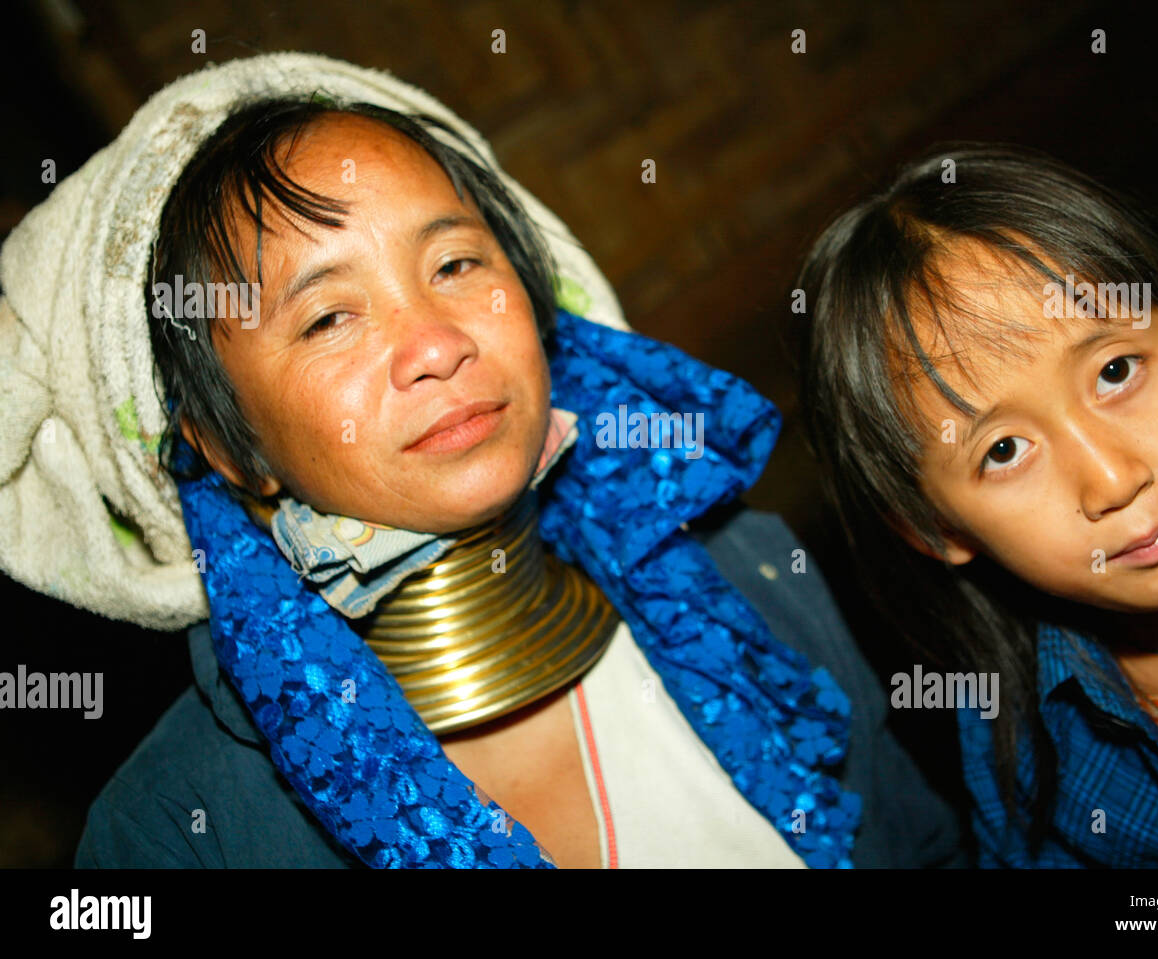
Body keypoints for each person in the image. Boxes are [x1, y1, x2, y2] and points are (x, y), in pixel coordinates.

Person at [0, 53, 964, 868]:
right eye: (330, 314)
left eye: (458, 265)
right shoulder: (179, 829)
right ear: (227, 447)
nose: (437, 342)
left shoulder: (749, 577)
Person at [797, 142, 1158, 867]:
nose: (1112, 480)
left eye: (1116, 371)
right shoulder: (1026, 764)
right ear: (933, 528)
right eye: (1003, 451)